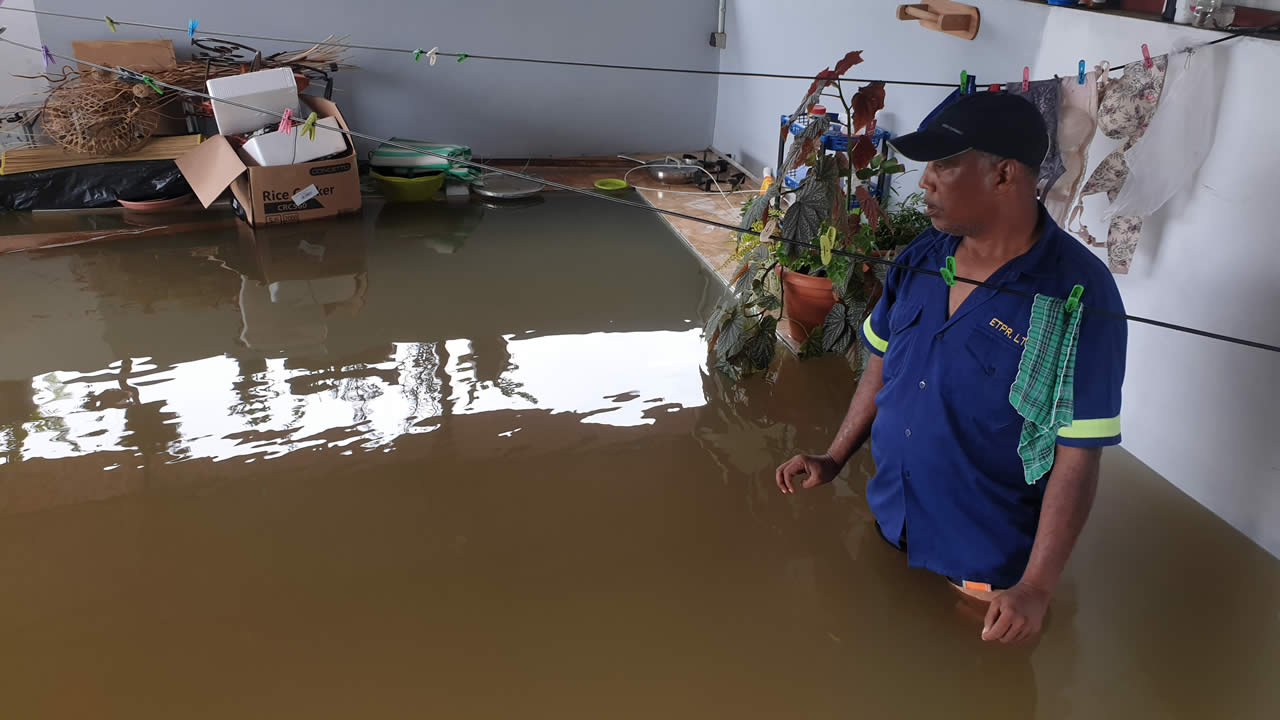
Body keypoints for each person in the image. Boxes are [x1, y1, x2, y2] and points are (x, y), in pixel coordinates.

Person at [775, 92, 1127, 645]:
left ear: (1004, 175)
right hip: (896, 514)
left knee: (975, 675)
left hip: (983, 560)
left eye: (942, 164)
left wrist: (1035, 586)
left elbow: (1077, 454)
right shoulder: (922, 256)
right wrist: (835, 456)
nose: (924, 182)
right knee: (883, 654)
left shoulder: (1077, 296)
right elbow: (881, 365)